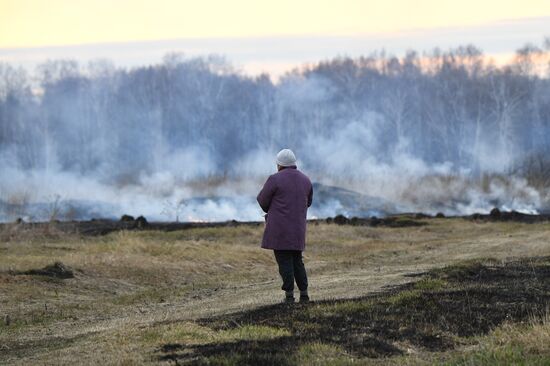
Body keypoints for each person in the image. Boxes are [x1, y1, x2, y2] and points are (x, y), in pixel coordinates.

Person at [257, 149, 313, 303]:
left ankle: (289, 296)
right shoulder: (306, 180)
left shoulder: (274, 180)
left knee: (284, 261)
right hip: (298, 229)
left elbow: (262, 201)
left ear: (279, 165)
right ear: (294, 163)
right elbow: (308, 202)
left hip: (279, 230)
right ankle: (304, 294)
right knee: (297, 261)